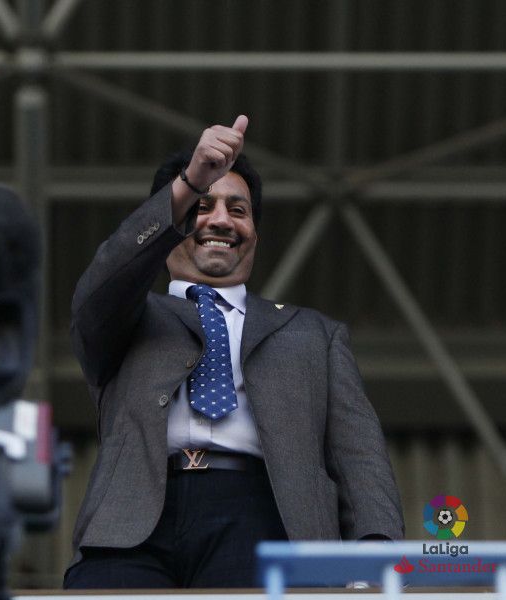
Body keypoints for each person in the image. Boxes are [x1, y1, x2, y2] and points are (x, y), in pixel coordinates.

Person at [63, 115, 404, 589]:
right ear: (172, 225)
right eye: (202, 206)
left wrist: (375, 551)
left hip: (266, 523)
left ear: (255, 235)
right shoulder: (125, 315)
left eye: (238, 210)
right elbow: (98, 288)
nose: (221, 219)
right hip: (128, 529)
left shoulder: (312, 334)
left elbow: (359, 454)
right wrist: (188, 182)